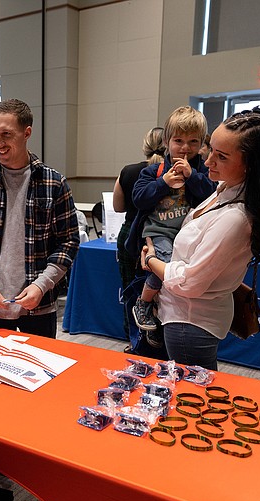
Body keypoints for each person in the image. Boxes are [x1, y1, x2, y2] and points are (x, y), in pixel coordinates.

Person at [140, 107, 260, 370]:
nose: (208, 161)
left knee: (190, 396)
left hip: (190, 321)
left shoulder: (236, 216)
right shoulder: (224, 189)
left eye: (220, 157)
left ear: (250, 165)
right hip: (184, 314)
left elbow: (189, 283)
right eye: (210, 150)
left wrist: (152, 260)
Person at [0, 99, 80, 338]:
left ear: (27, 133)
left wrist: (41, 285)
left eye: (6, 134)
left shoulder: (54, 183)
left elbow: (68, 242)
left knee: (40, 371)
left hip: (38, 306)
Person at [128, 106, 216, 344]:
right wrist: (164, 183)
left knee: (182, 280)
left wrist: (193, 177)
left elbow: (212, 196)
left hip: (189, 235)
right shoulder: (153, 171)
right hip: (158, 232)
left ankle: (160, 319)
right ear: (166, 141)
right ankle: (144, 303)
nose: (185, 147)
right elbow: (138, 199)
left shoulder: (206, 171)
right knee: (166, 269)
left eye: (193, 141)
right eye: (178, 140)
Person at [112, 127, 164, 347]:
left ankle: (132, 342)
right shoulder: (172, 172)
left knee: (130, 291)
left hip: (130, 236)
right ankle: (159, 343)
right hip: (161, 238)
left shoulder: (128, 171)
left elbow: (118, 206)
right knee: (161, 294)